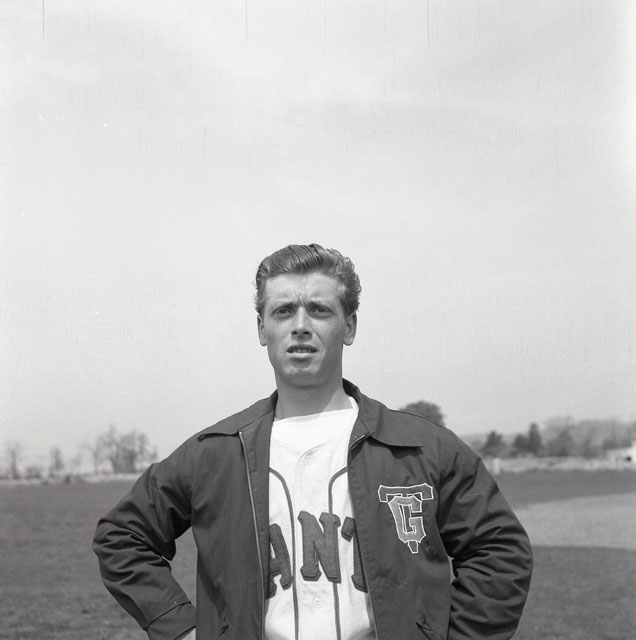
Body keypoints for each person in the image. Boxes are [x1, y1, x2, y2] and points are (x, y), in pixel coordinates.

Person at [93, 243, 532, 640]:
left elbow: (500, 551)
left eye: (319, 310)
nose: (300, 326)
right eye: (283, 311)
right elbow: (122, 535)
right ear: (262, 329)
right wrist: (179, 627)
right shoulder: (216, 452)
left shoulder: (423, 447)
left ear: (349, 326)